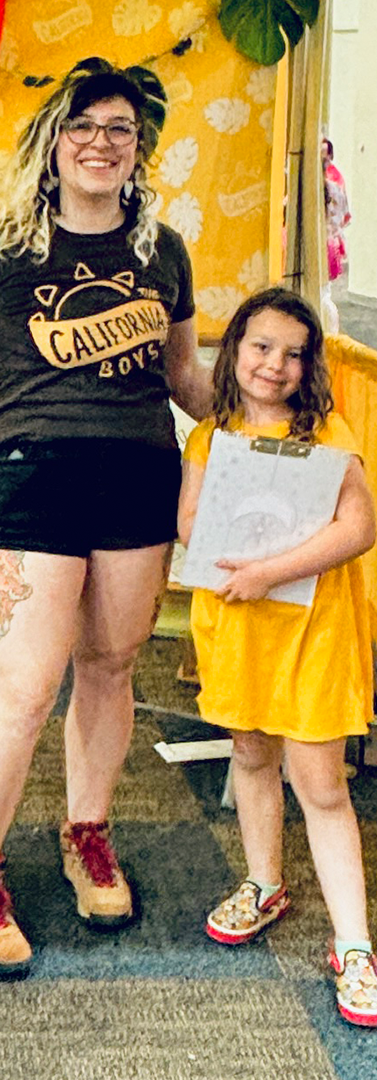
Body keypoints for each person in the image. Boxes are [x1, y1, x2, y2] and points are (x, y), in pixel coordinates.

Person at [0, 56, 212, 976]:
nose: (99, 143)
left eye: (119, 128)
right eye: (82, 126)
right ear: (51, 141)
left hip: (136, 476)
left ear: (138, 148)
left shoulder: (160, 249)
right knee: (25, 688)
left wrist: (277, 414)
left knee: (112, 662)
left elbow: (184, 378)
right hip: (29, 473)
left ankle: (86, 830)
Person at [179, 287, 377, 1026]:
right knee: (251, 756)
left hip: (311, 629)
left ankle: (352, 944)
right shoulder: (210, 435)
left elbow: (358, 524)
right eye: (261, 346)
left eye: (294, 353)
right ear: (234, 349)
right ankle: (264, 883)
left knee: (319, 782)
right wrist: (248, 571)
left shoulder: (327, 432)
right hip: (237, 628)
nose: (275, 364)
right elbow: (189, 520)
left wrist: (270, 568)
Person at [324, 138, 351, 287]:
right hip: (327, 236)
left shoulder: (335, 179)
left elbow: (341, 212)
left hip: (329, 236)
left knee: (326, 285)